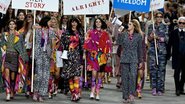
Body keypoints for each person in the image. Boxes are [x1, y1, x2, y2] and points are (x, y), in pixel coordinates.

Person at [84, 18, 112, 101]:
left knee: (100, 75)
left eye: (99, 22)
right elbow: (87, 43)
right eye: (96, 22)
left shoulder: (105, 33)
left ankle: (97, 92)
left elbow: (108, 44)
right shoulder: (90, 32)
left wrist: (108, 54)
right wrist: (86, 38)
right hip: (93, 55)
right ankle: (92, 91)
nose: (98, 23)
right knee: (94, 73)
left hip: (102, 56)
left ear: (101, 23)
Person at [0, 20, 28, 101]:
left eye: (13, 24)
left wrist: (24, 57)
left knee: (13, 77)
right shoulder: (4, 35)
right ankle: (8, 93)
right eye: (10, 24)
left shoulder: (20, 35)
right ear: (8, 26)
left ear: (15, 26)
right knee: (7, 74)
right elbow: (1, 44)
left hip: (15, 57)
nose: (11, 25)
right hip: (7, 56)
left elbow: (22, 47)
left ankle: (12, 90)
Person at [117, 19, 143, 103]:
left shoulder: (138, 36)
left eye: (130, 24)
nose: (128, 25)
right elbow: (119, 43)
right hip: (124, 58)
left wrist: (141, 61)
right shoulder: (124, 34)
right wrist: (119, 33)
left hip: (134, 59)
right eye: (128, 24)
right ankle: (125, 96)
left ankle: (131, 94)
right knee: (124, 78)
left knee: (132, 76)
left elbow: (140, 49)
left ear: (134, 26)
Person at [60, 17, 84, 101]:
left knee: (76, 76)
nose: (74, 24)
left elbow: (82, 45)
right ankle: (73, 93)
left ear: (77, 23)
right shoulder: (66, 33)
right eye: (72, 22)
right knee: (69, 76)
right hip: (68, 56)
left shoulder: (80, 32)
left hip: (77, 56)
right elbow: (62, 44)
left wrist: (83, 54)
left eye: (75, 22)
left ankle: (76, 93)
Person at [33, 16, 55, 102]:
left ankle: (41, 94)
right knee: (38, 74)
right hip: (39, 53)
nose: (51, 23)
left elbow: (53, 42)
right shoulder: (38, 29)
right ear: (46, 21)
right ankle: (35, 92)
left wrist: (52, 53)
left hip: (47, 54)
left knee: (45, 75)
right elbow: (32, 37)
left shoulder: (51, 31)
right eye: (50, 21)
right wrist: (33, 29)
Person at [148, 11, 169, 96]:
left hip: (162, 51)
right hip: (153, 51)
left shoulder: (165, 27)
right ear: (155, 17)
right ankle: (153, 87)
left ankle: (160, 88)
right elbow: (148, 39)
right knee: (153, 70)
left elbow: (167, 39)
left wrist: (158, 38)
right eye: (157, 16)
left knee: (161, 70)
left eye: (160, 16)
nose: (159, 18)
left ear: (162, 17)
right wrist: (151, 37)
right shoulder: (151, 26)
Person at [167, 16, 185, 96]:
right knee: (176, 73)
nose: (181, 24)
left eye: (183, 23)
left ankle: (181, 88)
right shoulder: (173, 32)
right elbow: (169, 44)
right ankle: (177, 89)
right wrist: (168, 54)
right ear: (178, 23)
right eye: (180, 23)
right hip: (176, 56)